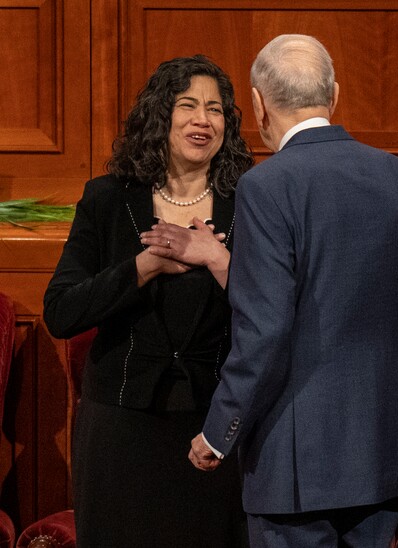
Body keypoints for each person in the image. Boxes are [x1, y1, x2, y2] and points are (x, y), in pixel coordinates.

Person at [188, 34, 398, 547]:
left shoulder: (266, 186)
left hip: (292, 463)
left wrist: (220, 428)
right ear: (334, 95)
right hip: (376, 449)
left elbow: (264, 327)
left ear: (258, 104)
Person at [43, 55, 254, 546]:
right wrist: (144, 267)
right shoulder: (108, 199)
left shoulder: (249, 201)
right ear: (161, 115)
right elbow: (60, 312)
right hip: (121, 430)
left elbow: (272, 310)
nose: (203, 120)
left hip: (214, 426)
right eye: (188, 105)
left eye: (215, 109)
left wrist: (219, 259)